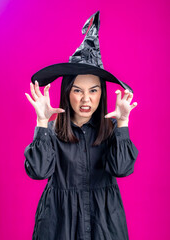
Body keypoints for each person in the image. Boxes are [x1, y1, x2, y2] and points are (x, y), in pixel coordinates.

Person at [24, 11, 139, 240]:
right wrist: (42, 122)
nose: (86, 99)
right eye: (77, 90)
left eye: (93, 90)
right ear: (67, 93)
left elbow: (122, 169)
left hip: (104, 223)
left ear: (101, 94)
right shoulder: (54, 133)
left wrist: (123, 123)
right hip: (59, 223)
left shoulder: (110, 132)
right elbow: (38, 171)